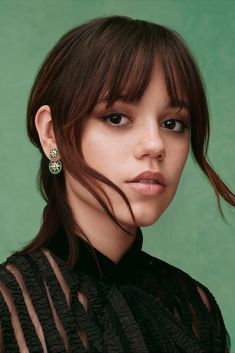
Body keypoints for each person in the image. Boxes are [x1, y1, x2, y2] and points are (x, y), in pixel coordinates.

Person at [0, 15, 233, 353]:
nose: (155, 145)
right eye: (116, 118)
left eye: (173, 123)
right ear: (51, 133)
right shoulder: (9, 307)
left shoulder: (194, 308)